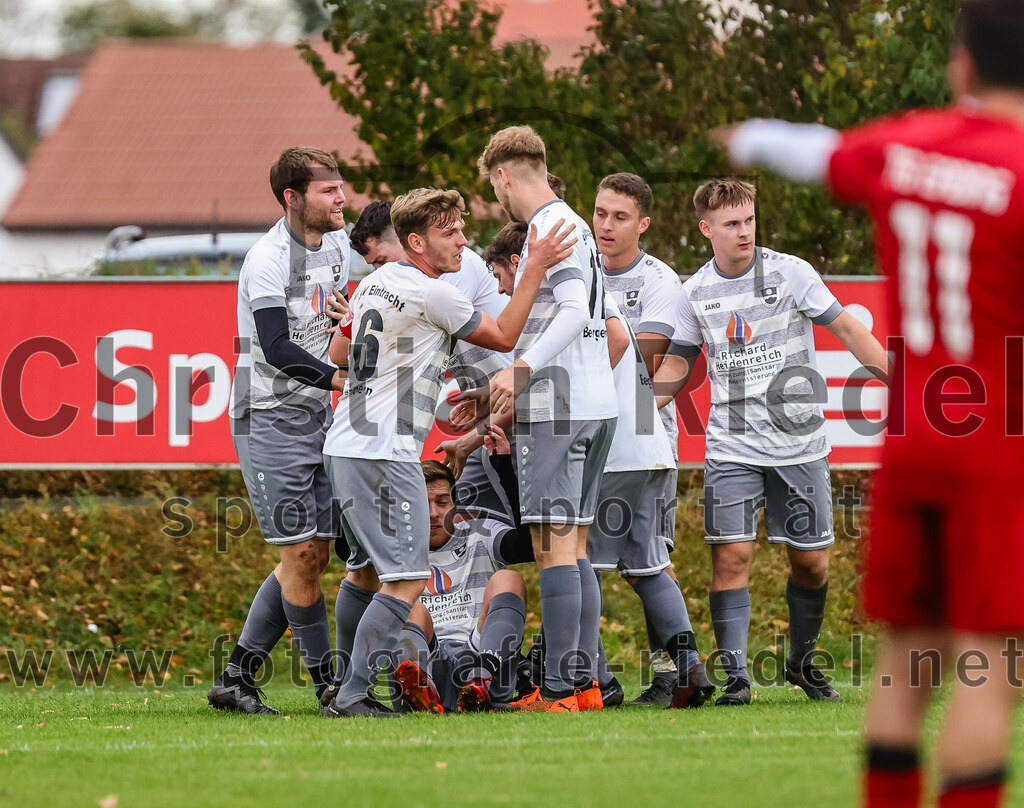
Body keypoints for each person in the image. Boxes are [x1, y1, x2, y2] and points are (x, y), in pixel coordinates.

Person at [716, 1, 1024, 803]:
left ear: (961, 65)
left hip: (915, 433)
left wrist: (745, 134)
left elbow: (810, 150)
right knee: (988, 663)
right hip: (996, 440)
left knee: (905, 655)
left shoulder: (907, 144)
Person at [320, 188, 575, 717]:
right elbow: (505, 335)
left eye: (462, 228)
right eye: (449, 232)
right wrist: (536, 267)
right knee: (407, 578)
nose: (463, 240)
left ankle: (349, 687)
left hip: (346, 443)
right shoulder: (432, 292)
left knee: (369, 572)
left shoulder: (376, 281)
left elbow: (340, 351)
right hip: (383, 450)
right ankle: (351, 694)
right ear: (416, 242)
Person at [653, 178, 888, 708]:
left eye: (749, 220)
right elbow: (676, 368)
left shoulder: (790, 272)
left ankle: (801, 660)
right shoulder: (693, 292)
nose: (744, 232)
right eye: (731, 224)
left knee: (812, 564)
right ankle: (736, 677)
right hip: (731, 446)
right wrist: (634, 410)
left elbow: (849, 329)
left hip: (800, 444)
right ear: (705, 229)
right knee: (731, 557)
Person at [476, 126, 619, 711]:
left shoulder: (548, 226)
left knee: (554, 547)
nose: (496, 201)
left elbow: (566, 310)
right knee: (574, 546)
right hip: (592, 401)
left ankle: (560, 687)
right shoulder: (575, 227)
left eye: (493, 188)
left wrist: (522, 367)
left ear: (505, 175)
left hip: (559, 408)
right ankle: (583, 685)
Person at [208, 146, 352, 715]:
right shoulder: (266, 258)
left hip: (319, 414)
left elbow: (339, 312)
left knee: (316, 552)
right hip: (268, 416)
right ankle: (328, 686)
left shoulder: (338, 243)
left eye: (340, 187)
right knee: (301, 555)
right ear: (292, 199)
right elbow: (275, 348)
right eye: (328, 190)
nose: (341, 198)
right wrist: (339, 377)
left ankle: (236, 677)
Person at [591, 173, 713, 709]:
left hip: (632, 439)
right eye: (600, 213)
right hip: (609, 436)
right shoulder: (580, 269)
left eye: (620, 217)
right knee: (646, 566)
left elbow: (645, 363)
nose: (606, 226)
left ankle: (593, 680)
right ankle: (682, 671)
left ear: (643, 223)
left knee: (582, 562)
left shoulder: (662, 280)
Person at [349, 199, 516, 523]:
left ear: (407, 241)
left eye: (381, 260)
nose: (379, 272)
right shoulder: (407, 284)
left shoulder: (450, 273)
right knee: (451, 528)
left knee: (547, 541)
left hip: (514, 416)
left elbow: (405, 348)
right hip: (493, 421)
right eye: (372, 266)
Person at [392, 426, 537, 714]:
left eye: (442, 502)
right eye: (423, 504)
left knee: (508, 577)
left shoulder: (478, 532)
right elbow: (348, 554)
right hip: (424, 660)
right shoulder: (395, 548)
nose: (433, 513)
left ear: (455, 503)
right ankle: (420, 688)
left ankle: (482, 678)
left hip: (481, 662)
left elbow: (528, 547)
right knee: (404, 604)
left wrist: (504, 469)